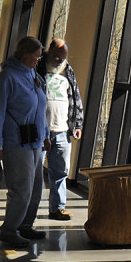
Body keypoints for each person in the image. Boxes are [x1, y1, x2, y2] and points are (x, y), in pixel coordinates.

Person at [0, 36, 47, 249]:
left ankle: (25, 225)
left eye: (40, 57)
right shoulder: (6, 78)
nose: (38, 60)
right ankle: (9, 230)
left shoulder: (35, 76)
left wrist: (45, 134)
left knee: (36, 188)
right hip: (15, 142)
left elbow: (41, 109)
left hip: (35, 142)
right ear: (23, 53)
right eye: (35, 56)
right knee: (21, 189)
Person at [36, 38, 83, 222]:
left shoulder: (67, 72)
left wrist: (77, 124)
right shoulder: (37, 69)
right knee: (35, 172)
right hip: (40, 131)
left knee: (60, 171)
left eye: (62, 58)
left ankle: (57, 208)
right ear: (49, 52)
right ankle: (29, 213)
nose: (59, 61)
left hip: (63, 130)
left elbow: (76, 98)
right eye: (56, 57)